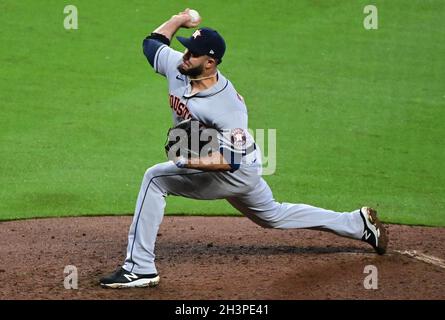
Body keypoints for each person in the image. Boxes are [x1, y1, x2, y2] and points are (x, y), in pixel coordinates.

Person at [99, 9, 388, 288]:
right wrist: (181, 19)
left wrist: (187, 161)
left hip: (234, 169)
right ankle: (357, 224)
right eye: (186, 50)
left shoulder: (227, 106)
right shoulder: (179, 68)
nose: (184, 56)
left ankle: (139, 268)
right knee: (272, 215)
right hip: (228, 165)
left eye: (192, 53)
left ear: (210, 63)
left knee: (155, 179)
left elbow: (231, 160)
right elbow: (152, 44)